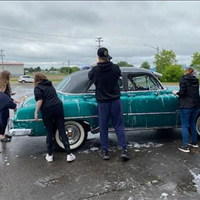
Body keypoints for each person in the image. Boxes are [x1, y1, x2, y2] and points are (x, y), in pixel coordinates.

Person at [88, 47, 130, 160]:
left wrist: (97, 64)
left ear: (98, 57)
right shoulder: (115, 68)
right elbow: (117, 74)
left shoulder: (95, 70)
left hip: (102, 103)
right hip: (115, 101)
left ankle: (105, 151)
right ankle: (124, 150)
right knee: (119, 126)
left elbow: (90, 77)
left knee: (103, 127)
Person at [34, 72, 76, 162]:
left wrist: (36, 112)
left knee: (49, 132)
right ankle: (69, 154)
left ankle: (50, 155)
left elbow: (39, 100)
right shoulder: (50, 85)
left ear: (36, 80)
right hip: (58, 107)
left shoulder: (37, 88)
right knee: (61, 130)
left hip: (47, 110)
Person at [173, 67, 200, 153]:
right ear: (193, 73)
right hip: (195, 105)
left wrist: (176, 92)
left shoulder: (183, 79)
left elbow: (182, 92)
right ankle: (194, 142)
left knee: (184, 126)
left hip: (186, 105)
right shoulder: (196, 80)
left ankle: (185, 146)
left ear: (186, 72)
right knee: (192, 124)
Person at [0, 70, 20, 140]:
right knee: (3, 120)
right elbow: (5, 97)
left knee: (5, 119)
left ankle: (3, 134)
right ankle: (2, 136)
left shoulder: (5, 84)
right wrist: (13, 102)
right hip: (3, 105)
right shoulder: (3, 84)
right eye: (9, 76)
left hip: (4, 104)